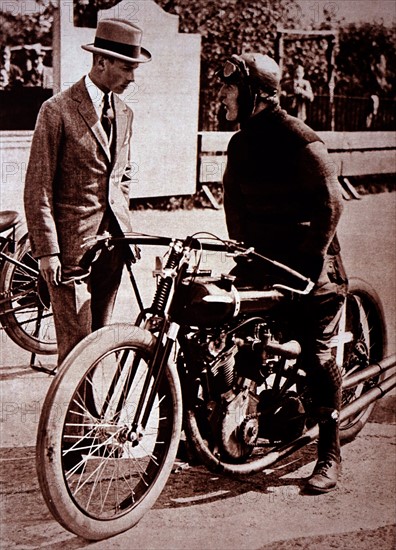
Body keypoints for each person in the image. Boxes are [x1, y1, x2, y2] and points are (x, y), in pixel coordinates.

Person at [217, 52, 348, 493]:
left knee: (315, 353)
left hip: (311, 262)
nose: (221, 96)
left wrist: (311, 264)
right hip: (263, 259)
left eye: (230, 88)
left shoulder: (299, 138)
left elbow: (333, 205)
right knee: (226, 325)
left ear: (257, 94)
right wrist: (244, 251)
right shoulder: (240, 142)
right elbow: (232, 201)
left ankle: (330, 450)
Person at [24, 19, 151, 365]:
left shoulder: (125, 114)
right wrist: (47, 252)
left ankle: (89, 416)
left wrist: (127, 230)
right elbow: (38, 188)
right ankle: (70, 419)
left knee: (98, 345)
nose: (132, 78)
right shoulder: (57, 111)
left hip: (113, 248)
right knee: (76, 349)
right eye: (127, 68)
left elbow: (121, 177)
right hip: (69, 253)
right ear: (101, 63)